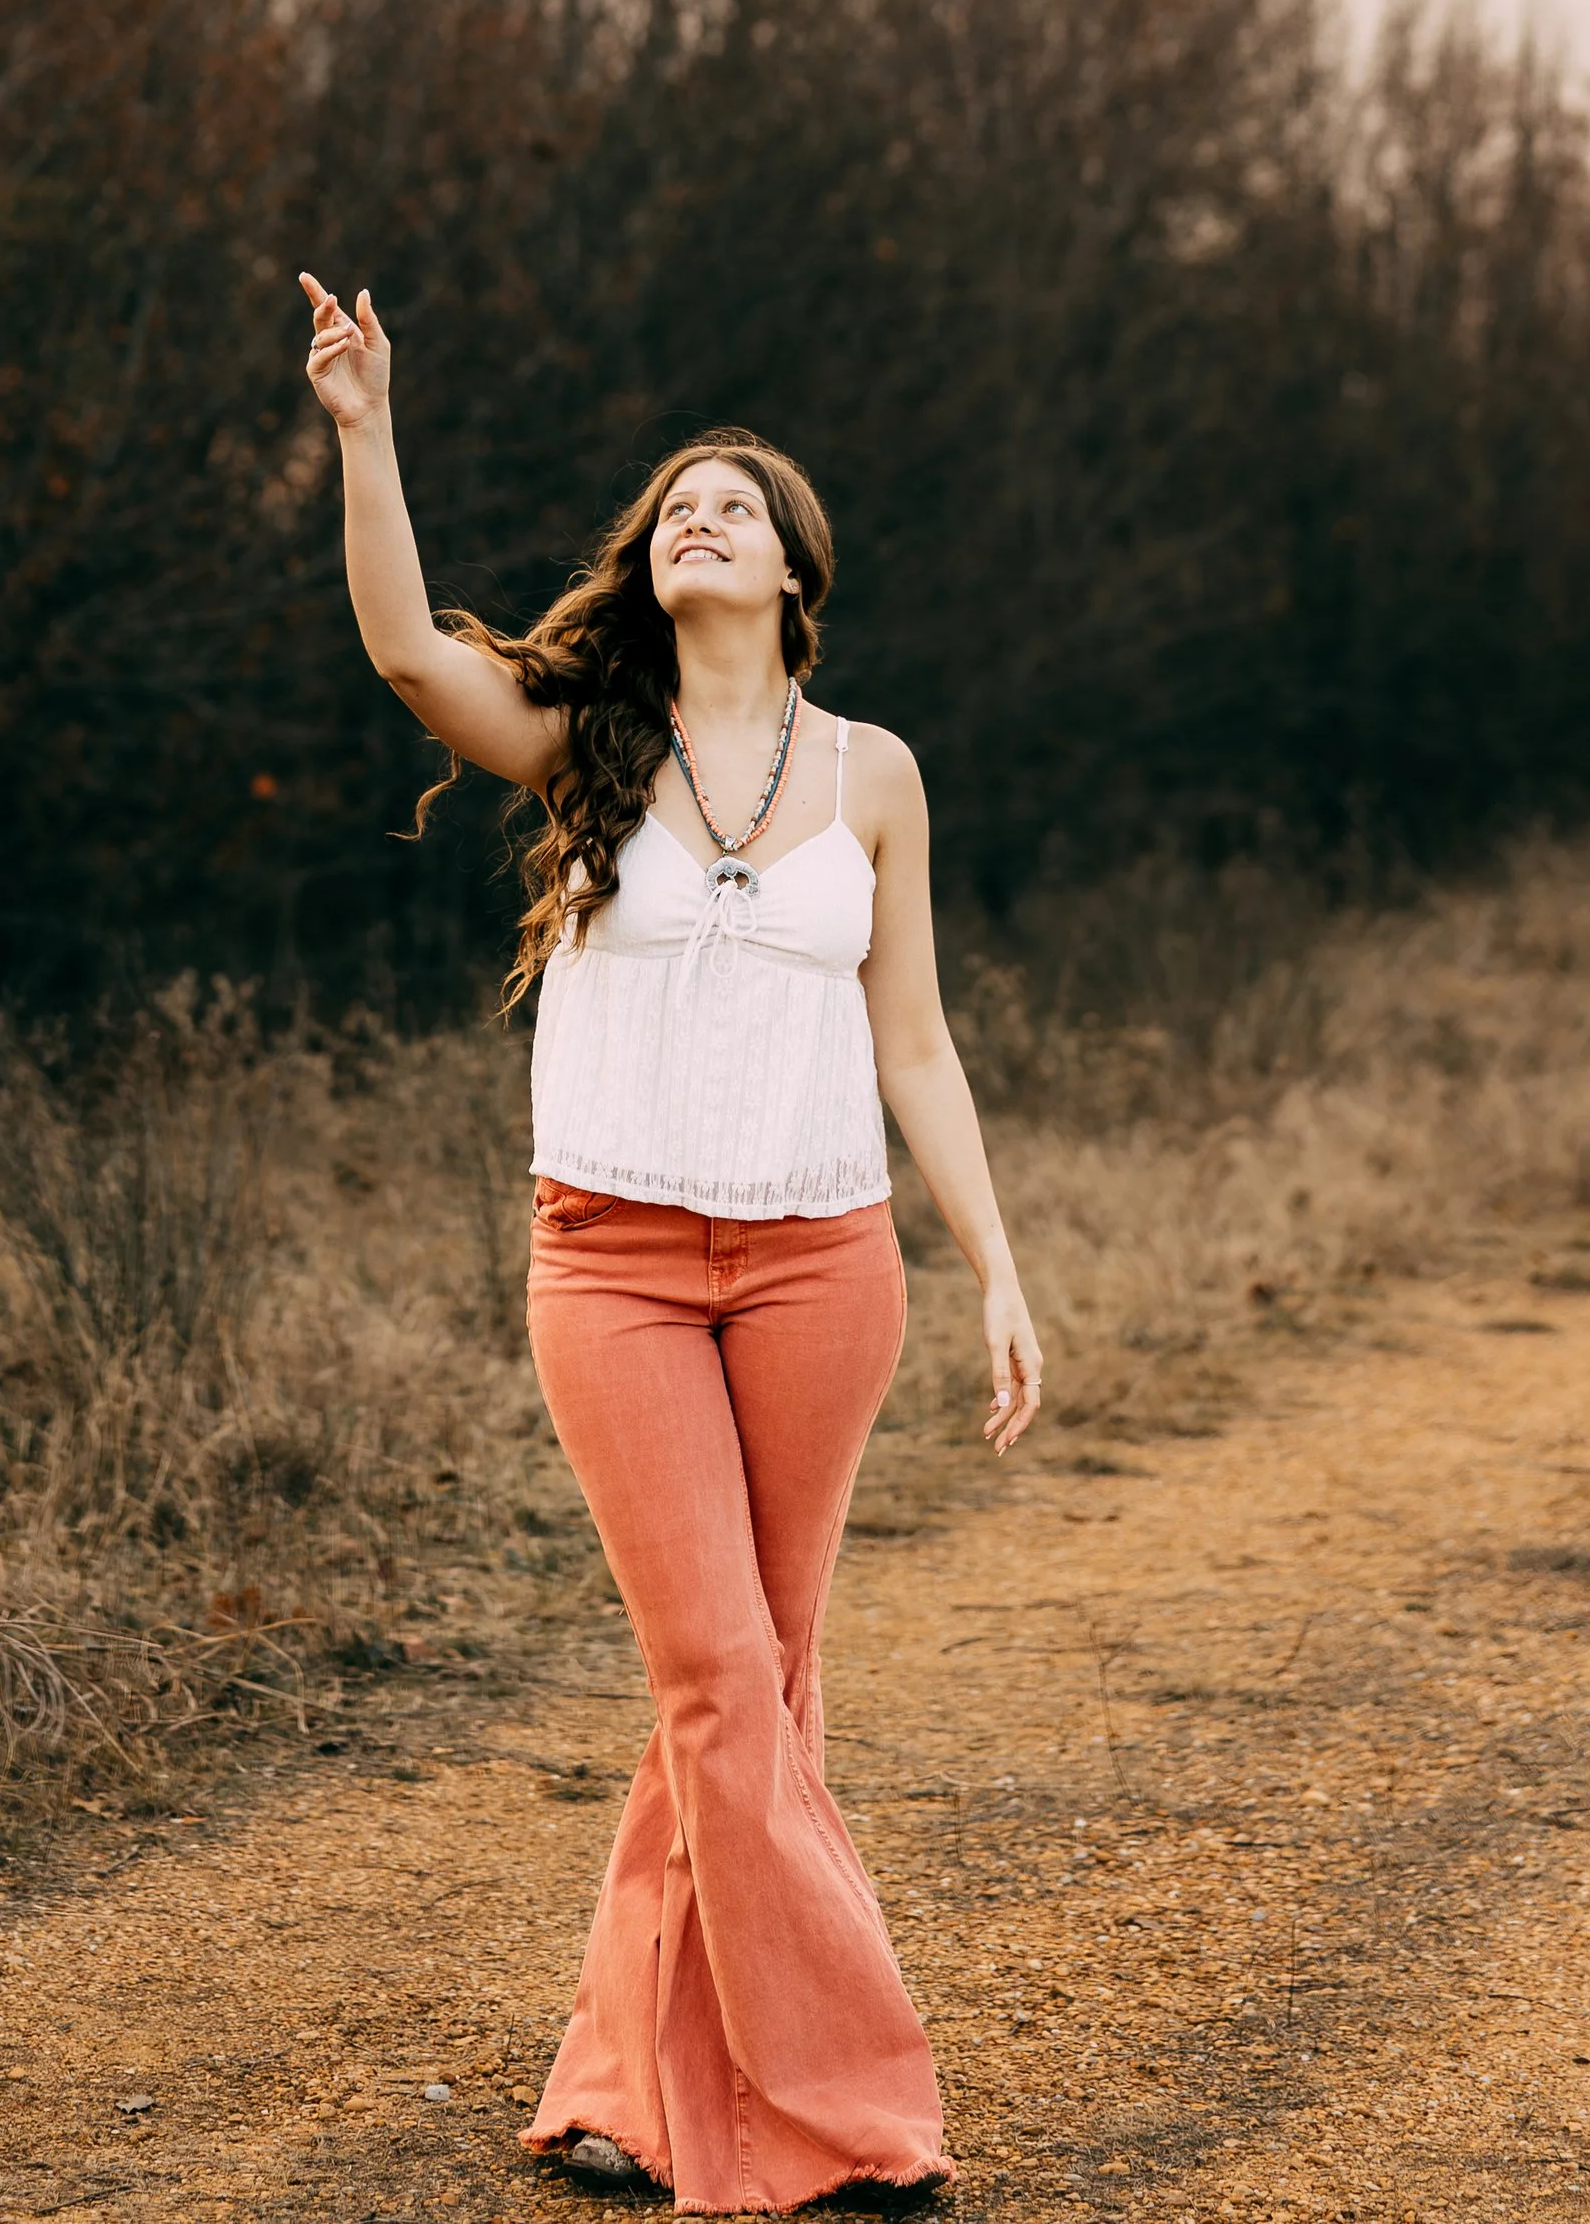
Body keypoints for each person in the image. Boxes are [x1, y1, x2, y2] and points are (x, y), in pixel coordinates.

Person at [300, 273, 1044, 2216]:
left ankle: (627, 2095)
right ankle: (857, 2106)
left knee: (756, 1694)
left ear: (796, 571)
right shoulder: (579, 740)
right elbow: (399, 653)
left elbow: (915, 1041)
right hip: (614, 1262)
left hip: (822, 1264)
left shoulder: (871, 775)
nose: (694, 518)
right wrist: (368, 433)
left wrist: (999, 1266)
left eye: (734, 504)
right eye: (673, 507)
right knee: (717, 1674)